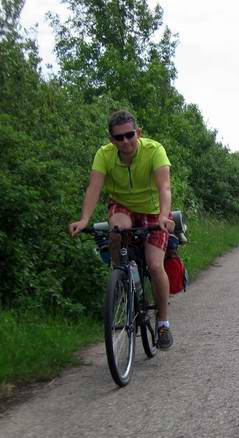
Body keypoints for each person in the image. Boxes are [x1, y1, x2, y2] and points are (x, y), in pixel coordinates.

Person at [68, 110, 177, 350]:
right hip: (123, 206)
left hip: (153, 211)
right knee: (117, 230)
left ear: (137, 133)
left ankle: (163, 323)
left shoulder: (154, 150)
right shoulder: (104, 155)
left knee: (156, 264)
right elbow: (94, 187)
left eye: (129, 135)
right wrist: (84, 218)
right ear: (111, 139)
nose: (125, 141)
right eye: (119, 138)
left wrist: (162, 216)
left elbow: (165, 187)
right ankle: (121, 280)